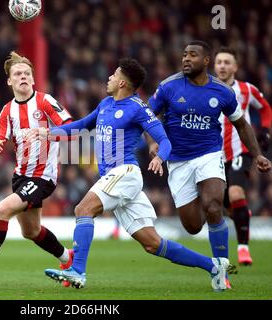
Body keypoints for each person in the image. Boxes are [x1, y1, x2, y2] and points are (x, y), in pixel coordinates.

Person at [28, 58, 235, 292]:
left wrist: (159, 157)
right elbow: (82, 125)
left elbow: (164, 140)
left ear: (123, 83)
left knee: (82, 210)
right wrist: (48, 133)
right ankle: (214, 265)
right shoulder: (106, 103)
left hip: (125, 172)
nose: (109, 78)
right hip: (117, 178)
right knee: (152, 244)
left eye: (114, 75)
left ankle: (77, 270)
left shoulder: (138, 108)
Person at [147, 41, 271, 287]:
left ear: (206, 61)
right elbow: (148, 117)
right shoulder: (168, 86)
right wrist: (153, 142)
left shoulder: (222, 92)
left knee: (213, 205)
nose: (186, 59)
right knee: (193, 226)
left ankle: (221, 272)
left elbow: (241, 124)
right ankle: (220, 219)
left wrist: (257, 154)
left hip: (210, 154)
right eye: (184, 54)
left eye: (192, 55)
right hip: (178, 161)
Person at [0, 51, 74, 287]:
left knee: (2, 209)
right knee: (31, 231)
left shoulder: (45, 102)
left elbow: (72, 130)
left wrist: (45, 132)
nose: (23, 77)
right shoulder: (7, 111)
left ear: (33, 78)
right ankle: (67, 258)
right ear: (9, 81)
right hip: (21, 176)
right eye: (17, 74)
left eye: (27, 73)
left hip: (43, 176)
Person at [214, 46, 271, 265]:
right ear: (214, 65)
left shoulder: (247, 89)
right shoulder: (206, 89)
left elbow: (265, 108)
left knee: (237, 194)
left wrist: (264, 130)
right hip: (213, 156)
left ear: (235, 67)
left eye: (227, 62)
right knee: (222, 204)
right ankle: (241, 216)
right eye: (219, 62)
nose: (222, 66)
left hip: (240, 151)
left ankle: (243, 249)